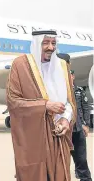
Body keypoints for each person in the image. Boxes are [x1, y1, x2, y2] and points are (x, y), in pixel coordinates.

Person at [6, 30, 76, 181]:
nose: (50, 47)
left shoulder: (62, 66)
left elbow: (69, 101)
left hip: (59, 137)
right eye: (45, 43)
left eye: (53, 43)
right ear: (37, 44)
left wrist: (65, 119)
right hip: (34, 140)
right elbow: (13, 101)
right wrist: (45, 106)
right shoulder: (20, 65)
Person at [58, 54, 92, 181]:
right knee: (60, 163)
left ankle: (85, 178)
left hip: (77, 130)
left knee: (81, 160)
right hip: (60, 131)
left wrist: (86, 124)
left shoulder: (77, 90)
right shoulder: (53, 87)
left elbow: (85, 108)